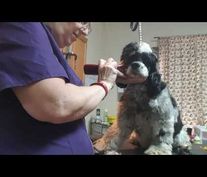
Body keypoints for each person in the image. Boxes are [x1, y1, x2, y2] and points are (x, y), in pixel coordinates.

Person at [0, 22, 145, 155]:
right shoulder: (24, 27)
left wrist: (108, 79)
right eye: (83, 22)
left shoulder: (50, 49)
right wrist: (105, 84)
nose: (86, 31)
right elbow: (58, 103)